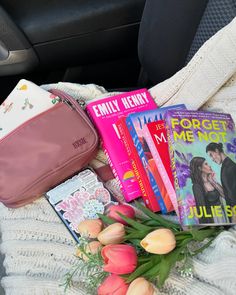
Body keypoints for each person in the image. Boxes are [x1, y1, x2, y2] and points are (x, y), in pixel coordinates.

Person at [190, 156, 228, 224]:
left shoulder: (212, 181)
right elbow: (202, 209)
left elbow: (226, 196)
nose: (209, 166)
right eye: (206, 164)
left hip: (222, 214)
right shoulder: (197, 187)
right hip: (212, 218)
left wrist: (213, 182)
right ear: (200, 168)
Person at [206, 142, 236, 207]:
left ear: (217, 151)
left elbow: (232, 199)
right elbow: (227, 195)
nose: (212, 159)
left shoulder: (228, 168)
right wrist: (214, 182)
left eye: (211, 155)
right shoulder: (226, 166)